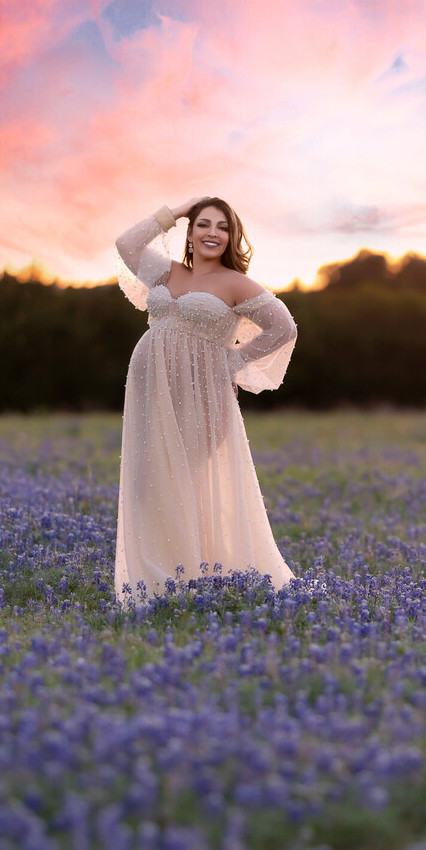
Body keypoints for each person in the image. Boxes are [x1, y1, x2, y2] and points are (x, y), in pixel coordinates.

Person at [112, 197, 298, 607]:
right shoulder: (167, 271)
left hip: (202, 393)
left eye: (223, 227)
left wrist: (234, 360)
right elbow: (126, 245)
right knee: (145, 483)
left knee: (182, 482)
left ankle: (187, 579)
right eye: (203, 224)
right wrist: (177, 210)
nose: (213, 232)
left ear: (231, 238)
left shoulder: (236, 284)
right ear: (190, 235)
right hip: (150, 387)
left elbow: (283, 326)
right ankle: (156, 583)